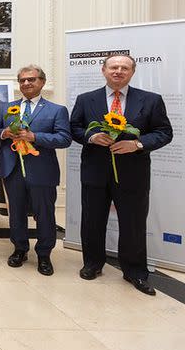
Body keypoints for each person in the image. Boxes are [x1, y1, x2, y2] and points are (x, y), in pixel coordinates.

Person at [69, 54, 172, 295]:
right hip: (94, 172)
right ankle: (92, 264)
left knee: (133, 224)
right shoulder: (86, 99)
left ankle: (135, 272)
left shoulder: (151, 100)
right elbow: (75, 127)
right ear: (103, 70)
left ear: (132, 72)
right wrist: (91, 137)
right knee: (92, 221)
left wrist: (136, 144)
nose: (118, 71)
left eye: (124, 68)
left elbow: (164, 132)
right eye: (113, 67)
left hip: (133, 174)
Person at [0, 65, 71, 276]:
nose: (26, 83)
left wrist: (35, 137)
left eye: (31, 79)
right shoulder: (7, 108)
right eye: (23, 80)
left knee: (45, 214)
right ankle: (19, 249)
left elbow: (64, 139)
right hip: (13, 170)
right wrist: (4, 133)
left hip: (42, 171)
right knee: (16, 213)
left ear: (42, 82)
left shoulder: (56, 110)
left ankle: (44, 255)